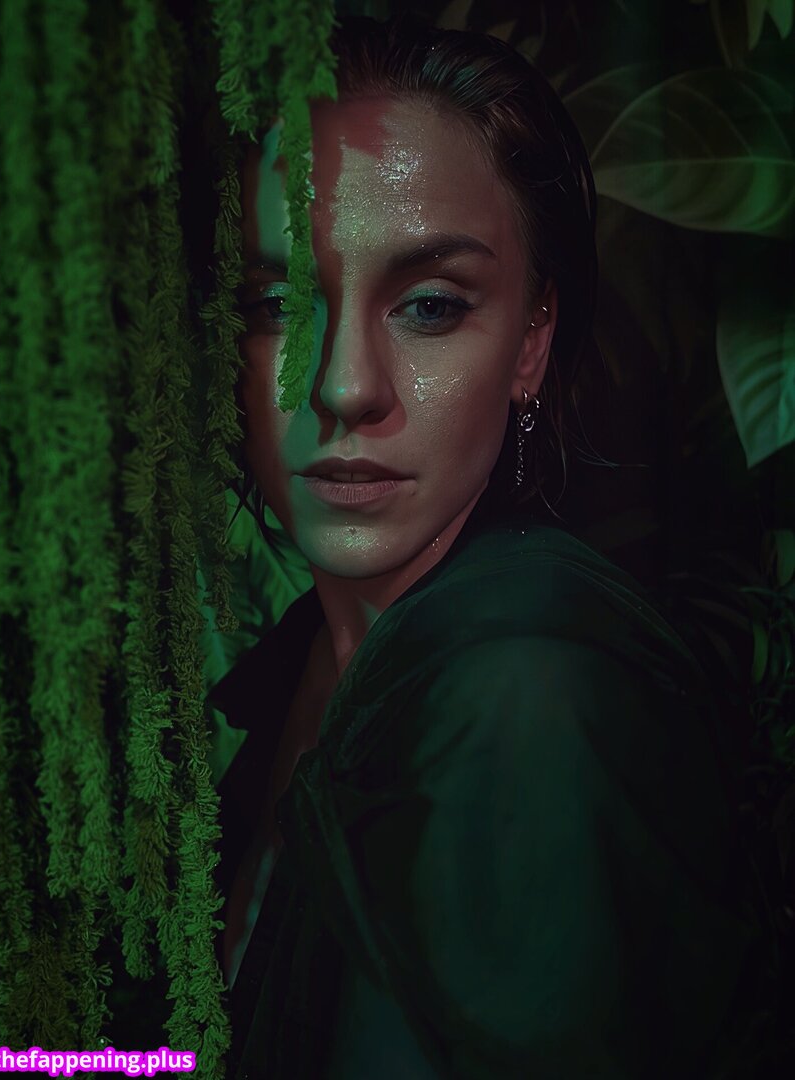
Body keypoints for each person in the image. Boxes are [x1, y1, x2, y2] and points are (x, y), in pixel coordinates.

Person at [208, 14, 757, 1079]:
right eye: (279, 304)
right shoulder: (303, 666)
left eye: (428, 305)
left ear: (531, 341)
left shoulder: (526, 688)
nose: (344, 388)